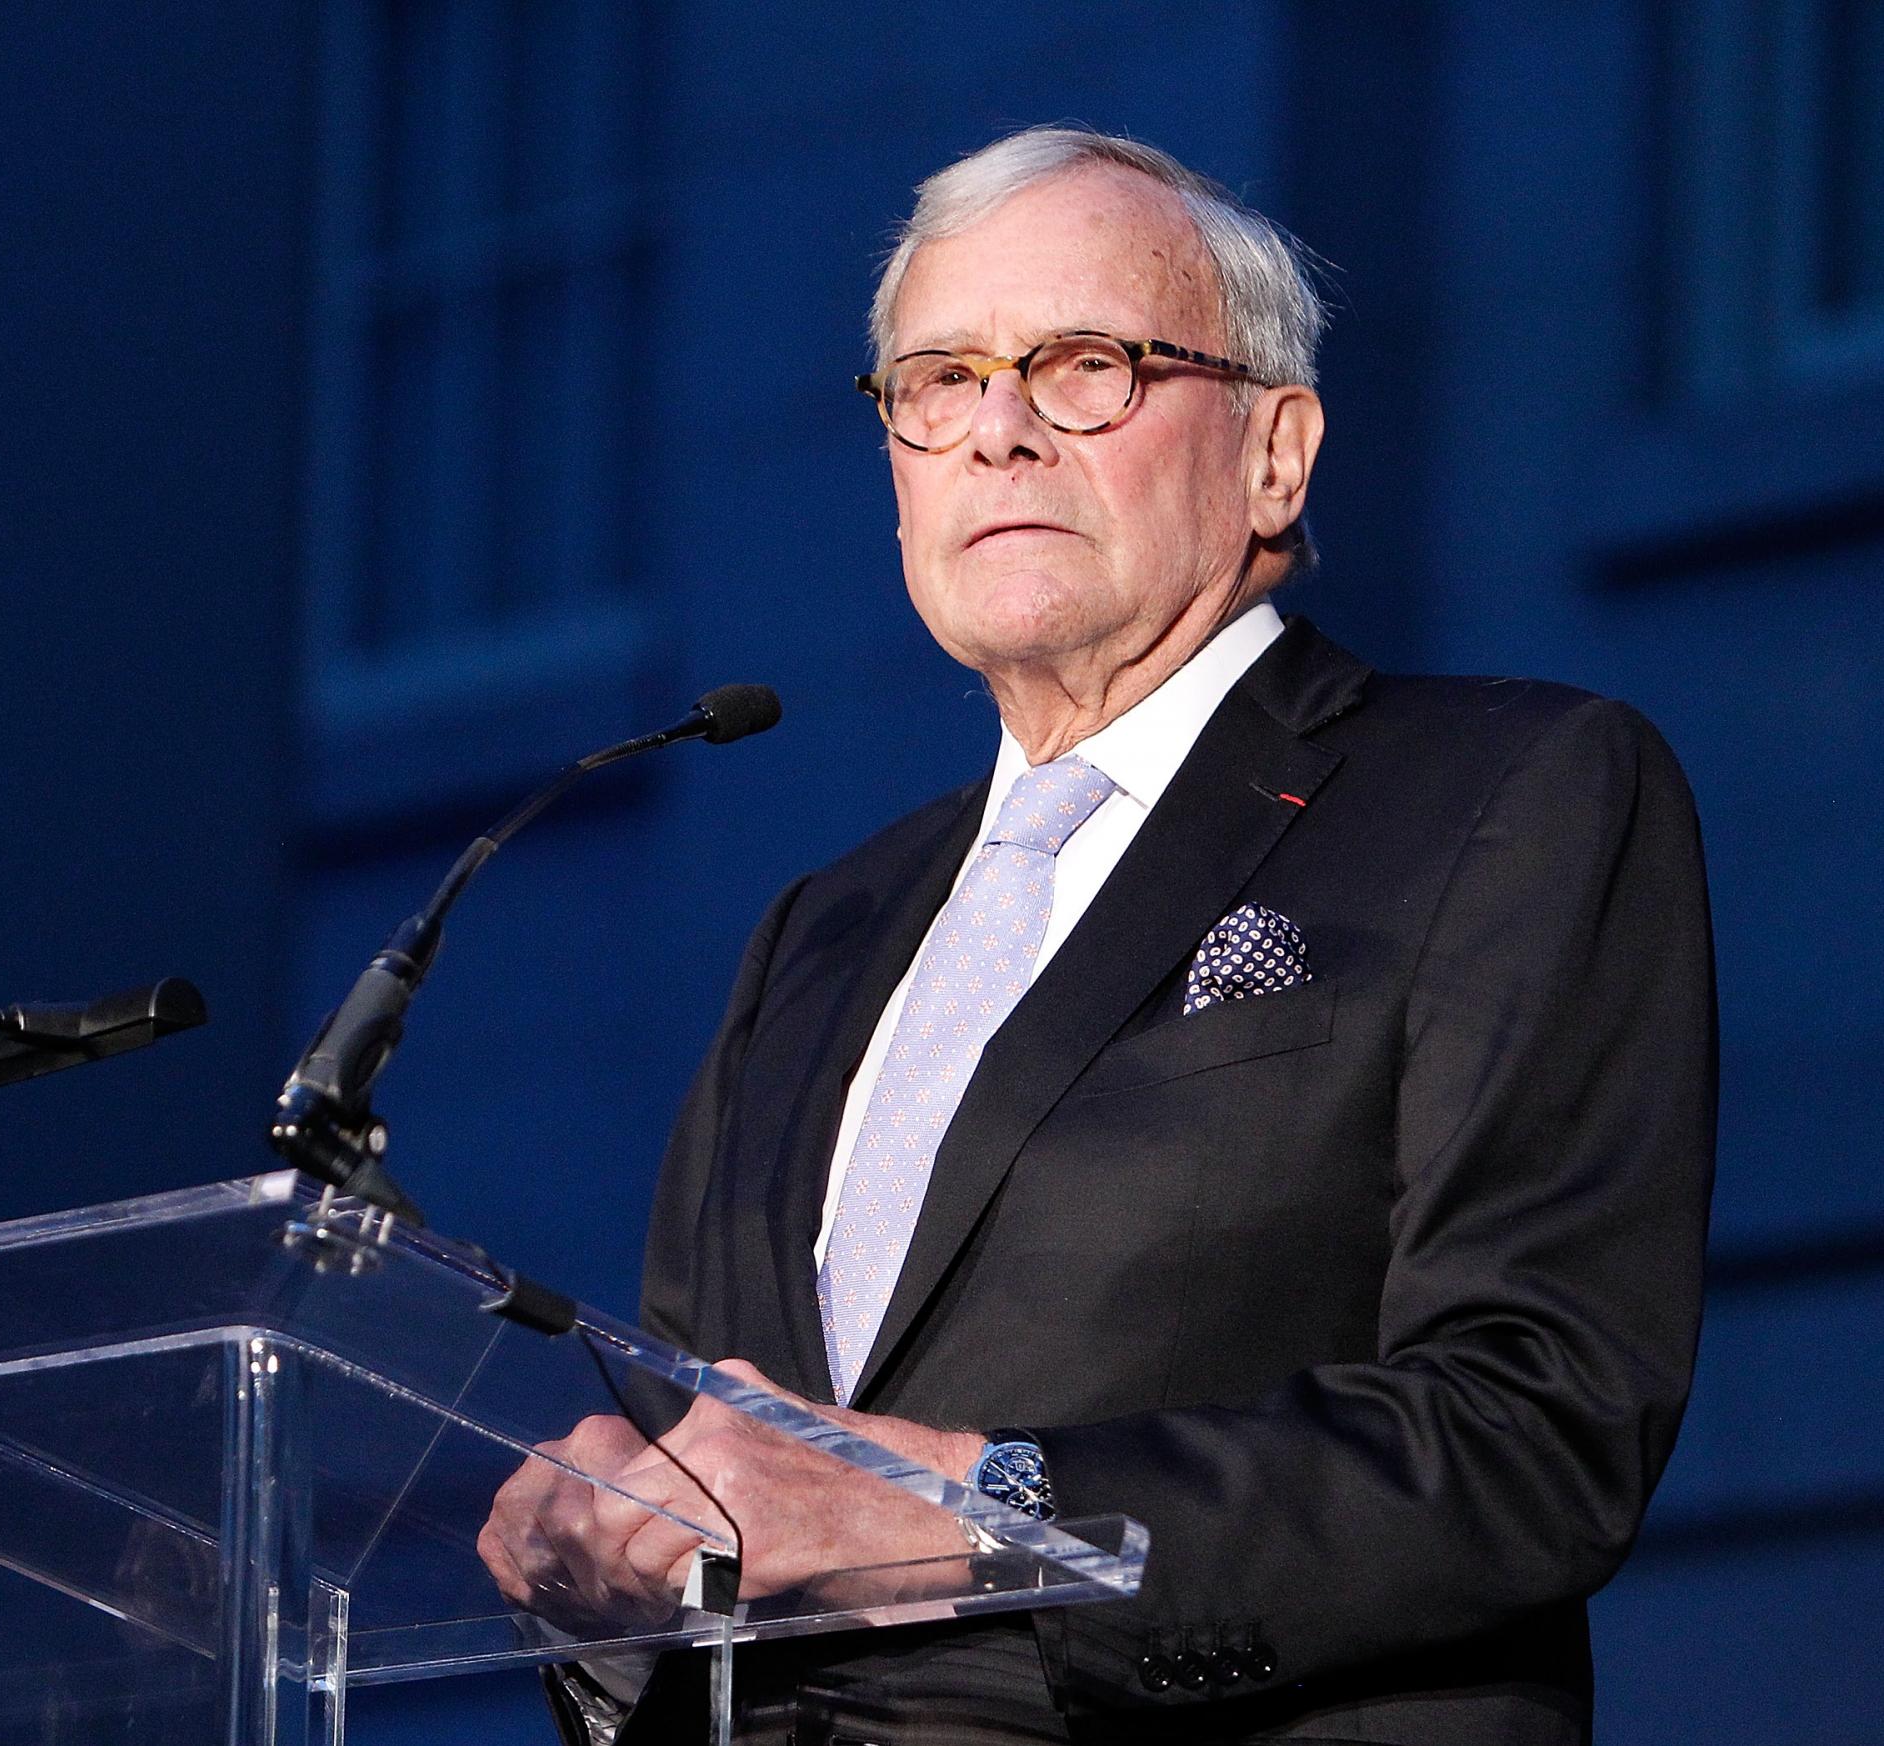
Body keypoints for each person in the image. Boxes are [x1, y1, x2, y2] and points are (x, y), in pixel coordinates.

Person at [478, 126, 1715, 1745]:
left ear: (1277, 451)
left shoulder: (1508, 792)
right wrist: (610, 1585)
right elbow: (728, 1473)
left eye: (1084, 368)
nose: (996, 432)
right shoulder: (821, 935)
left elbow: (1532, 1431)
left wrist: (972, 1501)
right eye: (938, 381)